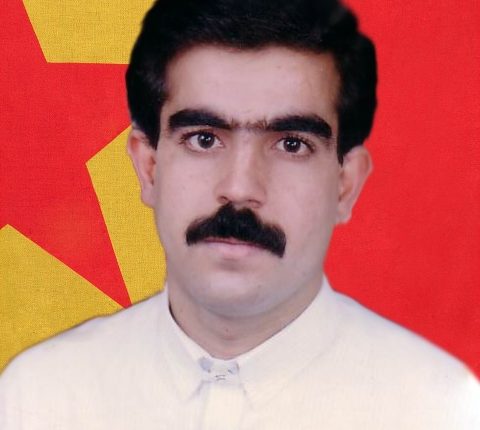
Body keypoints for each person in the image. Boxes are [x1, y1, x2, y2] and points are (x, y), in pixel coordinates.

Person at [1, 0, 479, 428]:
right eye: (204, 138)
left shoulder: (439, 410)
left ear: (345, 184)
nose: (240, 188)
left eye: (292, 144)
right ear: (148, 168)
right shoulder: (39, 397)